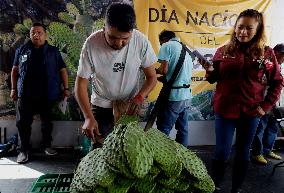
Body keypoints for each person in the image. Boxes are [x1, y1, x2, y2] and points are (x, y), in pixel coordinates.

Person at [202, 9, 283, 193]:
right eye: (240, 27)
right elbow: (214, 78)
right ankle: (216, 187)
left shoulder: (267, 54)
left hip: (251, 112)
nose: (243, 32)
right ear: (235, 28)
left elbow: (278, 82)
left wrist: (265, 107)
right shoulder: (223, 50)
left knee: (243, 153)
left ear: (258, 29)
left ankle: (236, 189)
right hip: (225, 110)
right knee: (222, 151)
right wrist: (209, 72)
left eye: (249, 28)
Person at [75, 3, 157, 145]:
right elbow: (81, 83)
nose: (119, 43)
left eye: (125, 39)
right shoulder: (92, 44)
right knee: (100, 148)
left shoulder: (141, 41)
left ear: (132, 31)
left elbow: (152, 78)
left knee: (126, 149)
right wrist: (88, 117)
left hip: (129, 105)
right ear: (104, 28)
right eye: (112, 37)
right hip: (101, 104)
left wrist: (139, 97)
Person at [10, 23, 70, 164]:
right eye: (33, 33)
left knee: (47, 122)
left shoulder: (54, 51)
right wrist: (13, 89)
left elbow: (62, 70)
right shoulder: (21, 50)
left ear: (45, 34)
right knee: (23, 123)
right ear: (30, 35)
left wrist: (66, 88)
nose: (36, 35)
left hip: (48, 93)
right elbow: (14, 70)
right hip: (25, 94)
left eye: (39, 32)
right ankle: (23, 150)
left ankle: (46, 146)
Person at [155, 30, 193, 147]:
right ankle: (183, 156)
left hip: (175, 96)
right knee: (183, 129)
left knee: (163, 128)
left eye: (161, 43)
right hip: (186, 95)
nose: (161, 46)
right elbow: (178, 75)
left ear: (164, 40)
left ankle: (162, 157)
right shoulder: (186, 50)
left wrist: (152, 71)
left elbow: (163, 70)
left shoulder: (167, 46)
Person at [251, 43, 284, 164]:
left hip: (275, 104)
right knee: (260, 128)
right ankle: (256, 153)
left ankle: (267, 150)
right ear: (277, 53)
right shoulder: (266, 64)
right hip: (264, 103)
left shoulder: (279, 66)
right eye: (283, 56)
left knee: (273, 128)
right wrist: (265, 105)